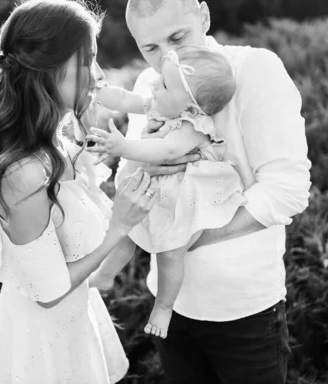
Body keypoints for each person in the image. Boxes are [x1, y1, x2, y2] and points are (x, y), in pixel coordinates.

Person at [113, 0, 312, 383]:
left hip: (245, 308)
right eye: (150, 49)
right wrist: (150, 148)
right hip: (171, 304)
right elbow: (127, 186)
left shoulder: (256, 70)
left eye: (177, 37)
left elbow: (288, 190)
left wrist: (187, 238)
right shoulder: (149, 88)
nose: (166, 57)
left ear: (203, 16)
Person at [0, 0, 159, 383]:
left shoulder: (59, 144)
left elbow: (77, 218)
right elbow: (47, 290)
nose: (99, 75)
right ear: (49, 70)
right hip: (40, 343)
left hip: (74, 321)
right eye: (88, 60)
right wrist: (119, 227)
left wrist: (146, 154)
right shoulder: (23, 172)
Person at [86, 46, 246, 339]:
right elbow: (124, 99)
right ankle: (106, 276)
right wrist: (95, 92)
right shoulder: (161, 104)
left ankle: (164, 307)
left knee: (170, 254)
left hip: (181, 203)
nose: (154, 85)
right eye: (160, 79)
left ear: (190, 107)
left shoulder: (194, 126)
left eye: (164, 85)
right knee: (126, 233)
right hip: (156, 192)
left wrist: (123, 146)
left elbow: (167, 149)